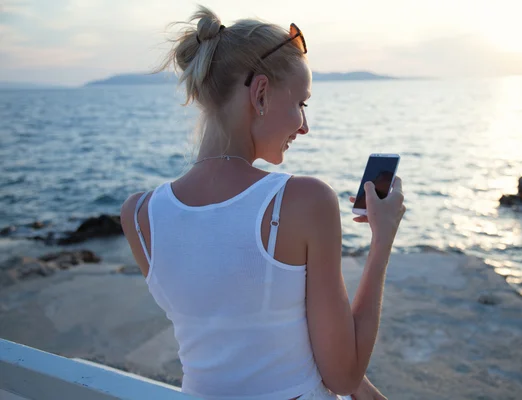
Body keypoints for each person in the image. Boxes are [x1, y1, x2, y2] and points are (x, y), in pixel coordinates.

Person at [120, 5, 406, 400]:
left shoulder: (138, 215)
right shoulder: (306, 200)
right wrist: (382, 241)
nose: (305, 126)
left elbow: (252, 332)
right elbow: (342, 376)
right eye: (301, 103)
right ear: (260, 94)